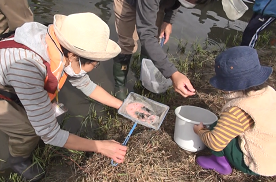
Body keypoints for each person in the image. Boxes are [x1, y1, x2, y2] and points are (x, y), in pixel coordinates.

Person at [0, 13, 127, 181]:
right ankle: (18, 160)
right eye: (95, 65)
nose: (94, 68)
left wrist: (124, 106)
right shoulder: (26, 67)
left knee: (44, 116)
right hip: (13, 81)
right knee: (29, 129)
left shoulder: (61, 46)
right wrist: (100, 146)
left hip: (14, 81)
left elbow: (85, 84)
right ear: (74, 55)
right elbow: (50, 134)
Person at [193, 46, 276, 176]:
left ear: (229, 86)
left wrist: (200, 131)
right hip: (272, 155)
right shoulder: (269, 92)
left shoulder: (238, 111)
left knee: (217, 126)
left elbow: (215, 142)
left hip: (258, 164)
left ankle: (220, 163)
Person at [112, 0, 213, 100]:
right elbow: (147, 36)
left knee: (155, 38)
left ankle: (143, 74)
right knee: (127, 44)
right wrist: (173, 73)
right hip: (128, 3)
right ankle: (119, 86)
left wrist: (168, 20)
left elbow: (177, 2)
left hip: (158, 4)